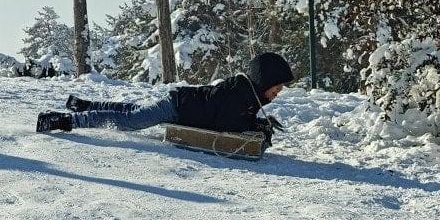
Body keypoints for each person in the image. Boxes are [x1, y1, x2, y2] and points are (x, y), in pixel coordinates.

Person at [36, 52, 294, 142]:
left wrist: (256, 122)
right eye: (277, 86)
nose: (278, 92)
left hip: (178, 103)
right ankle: (63, 121)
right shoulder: (242, 94)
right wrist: (256, 125)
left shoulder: (246, 93)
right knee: (131, 121)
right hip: (177, 108)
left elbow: (235, 117)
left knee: (132, 111)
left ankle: (85, 105)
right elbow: (228, 122)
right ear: (264, 81)